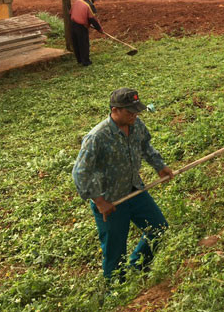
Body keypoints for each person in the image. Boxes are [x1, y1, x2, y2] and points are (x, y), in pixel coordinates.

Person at [72, 88, 174, 282]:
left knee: (158, 228)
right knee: (115, 249)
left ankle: (138, 266)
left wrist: (160, 166)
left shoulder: (136, 125)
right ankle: (115, 289)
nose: (134, 115)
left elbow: (145, 147)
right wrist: (99, 201)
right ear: (114, 110)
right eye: (129, 111)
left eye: (136, 110)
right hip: (110, 200)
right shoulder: (97, 137)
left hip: (135, 190)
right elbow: (80, 172)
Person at [69, 0, 103, 66]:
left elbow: (71, 13)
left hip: (73, 24)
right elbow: (93, 19)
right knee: (84, 44)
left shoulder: (78, 1)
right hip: (81, 27)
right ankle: (86, 62)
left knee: (76, 43)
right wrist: (99, 29)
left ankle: (79, 60)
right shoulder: (89, 5)